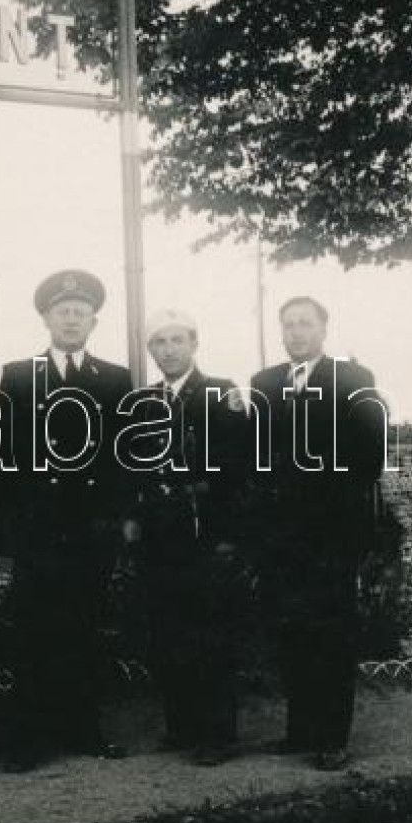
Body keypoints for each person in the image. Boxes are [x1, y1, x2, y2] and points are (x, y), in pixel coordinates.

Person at [0, 269, 134, 763]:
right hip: (36, 526)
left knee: (85, 628)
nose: (72, 319)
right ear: (47, 319)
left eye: (80, 312)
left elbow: (124, 457)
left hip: (89, 527)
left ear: (93, 320)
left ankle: (85, 729)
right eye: (62, 311)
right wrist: (7, 529)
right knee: (33, 630)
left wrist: (114, 519)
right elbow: (1, 456)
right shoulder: (17, 375)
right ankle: (31, 738)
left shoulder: (115, 379)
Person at [248, 296, 387, 771]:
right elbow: (257, 455)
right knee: (293, 632)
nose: (296, 333)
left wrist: (331, 501)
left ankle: (332, 737)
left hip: (331, 533)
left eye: (305, 324)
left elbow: (370, 454)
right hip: (281, 536)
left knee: (331, 633)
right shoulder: (264, 383)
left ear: (323, 328)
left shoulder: (351, 379)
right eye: (288, 325)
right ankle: (300, 730)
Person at [123, 309, 251, 765]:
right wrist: (135, 520)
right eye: (159, 342)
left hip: (207, 531)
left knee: (211, 634)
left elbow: (241, 470)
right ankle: (181, 726)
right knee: (167, 633)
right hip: (161, 535)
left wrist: (230, 537)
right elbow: (134, 469)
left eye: (177, 340)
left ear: (194, 344)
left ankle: (217, 735)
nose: (169, 349)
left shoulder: (222, 393)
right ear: (151, 350)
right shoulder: (143, 401)